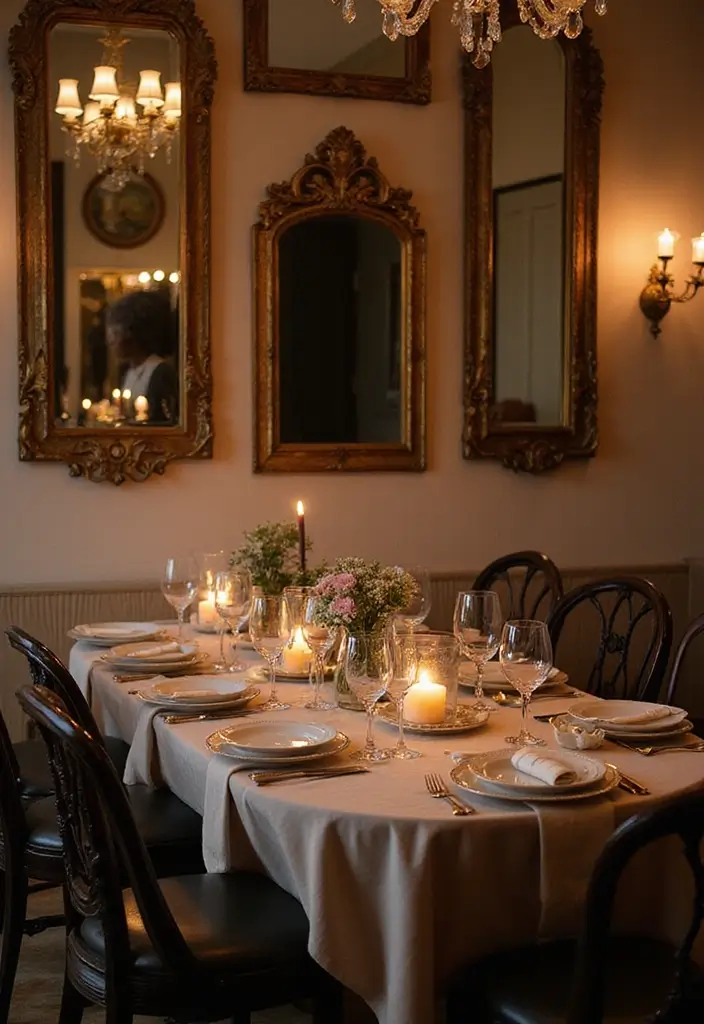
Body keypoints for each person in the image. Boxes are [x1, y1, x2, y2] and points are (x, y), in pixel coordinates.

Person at [106, 289, 179, 425]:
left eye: (116, 333)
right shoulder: (126, 371)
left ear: (134, 334)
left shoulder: (160, 372)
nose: (111, 341)